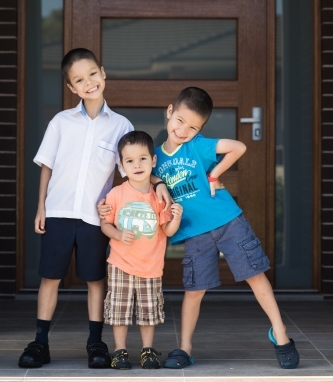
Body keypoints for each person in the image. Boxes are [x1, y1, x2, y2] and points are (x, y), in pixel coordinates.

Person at [98, 86, 299, 371]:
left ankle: (280, 335)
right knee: (195, 290)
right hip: (194, 232)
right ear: (169, 112)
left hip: (228, 221)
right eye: (179, 121)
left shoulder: (199, 146)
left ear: (200, 129)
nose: (183, 130)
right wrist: (156, 185)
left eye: (193, 127)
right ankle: (185, 348)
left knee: (255, 275)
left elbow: (238, 148)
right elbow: (141, 175)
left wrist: (215, 173)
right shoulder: (152, 156)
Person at [18, 48, 171, 370]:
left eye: (92, 74)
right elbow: (46, 166)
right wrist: (40, 207)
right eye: (78, 80)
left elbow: (133, 165)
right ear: (71, 88)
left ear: (102, 73)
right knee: (50, 277)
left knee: (95, 279)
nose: (88, 82)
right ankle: (40, 342)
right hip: (59, 211)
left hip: (94, 217)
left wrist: (158, 183)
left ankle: (95, 342)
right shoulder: (61, 122)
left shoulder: (119, 124)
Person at [100, 130, 183, 370]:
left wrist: (176, 217)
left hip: (150, 265)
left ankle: (148, 351)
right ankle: (119, 351)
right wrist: (117, 234)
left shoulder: (159, 196)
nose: (137, 165)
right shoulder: (116, 194)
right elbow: (105, 224)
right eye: (130, 161)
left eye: (143, 159)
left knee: (148, 311)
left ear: (153, 160)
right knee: (119, 310)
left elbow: (167, 230)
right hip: (120, 263)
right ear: (122, 165)